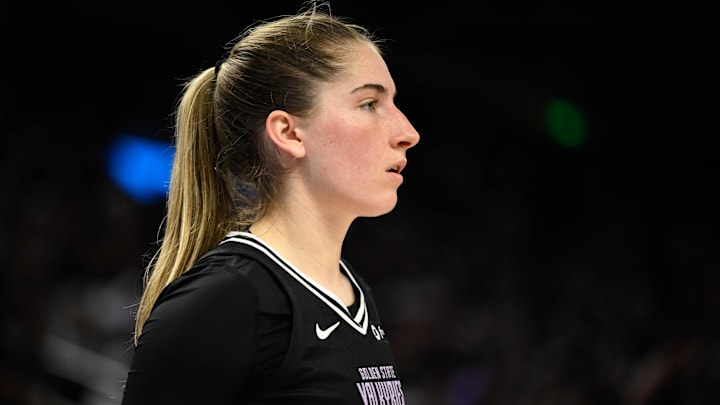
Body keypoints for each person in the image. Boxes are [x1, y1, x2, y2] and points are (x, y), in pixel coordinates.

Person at [119, 1, 420, 404]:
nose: (407, 132)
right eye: (369, 104)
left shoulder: (353, 292)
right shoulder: (228, 298)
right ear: (289, 133)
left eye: (394, 103)